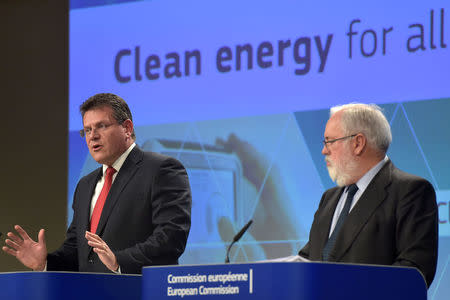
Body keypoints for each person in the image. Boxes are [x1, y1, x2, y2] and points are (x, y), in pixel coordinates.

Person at [3, 93, 192, 274]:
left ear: (127, 128)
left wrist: (118, 261)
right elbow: (76, 251)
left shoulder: (161, 170)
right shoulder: (85, 185)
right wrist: (44, 263)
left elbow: (171, 237)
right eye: (87, 130)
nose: (92, 136)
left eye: (101, 126)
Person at [298, 103, 438, 287]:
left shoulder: (411, 191)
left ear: (358, 143)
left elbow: (413, 271)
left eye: (329, 141)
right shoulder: (329, 198)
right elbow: (310, 258)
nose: (324, 150)